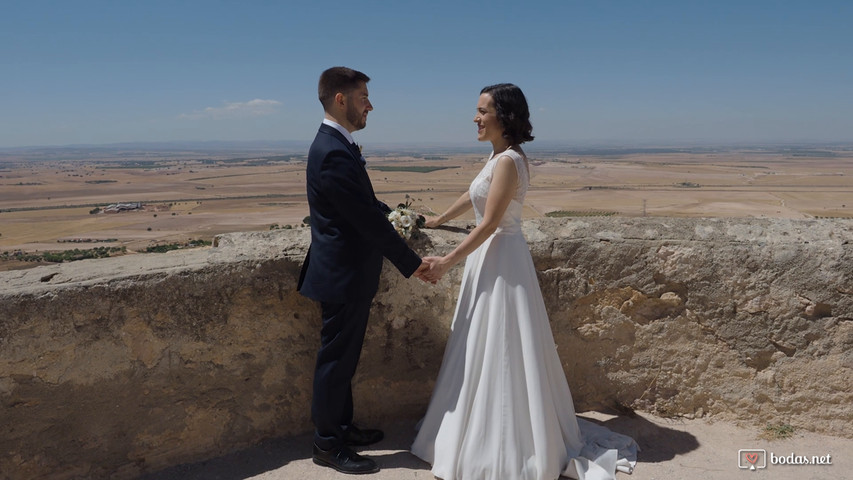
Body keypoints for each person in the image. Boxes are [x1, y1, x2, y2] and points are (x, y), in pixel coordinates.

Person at [412, 84, 639, 479]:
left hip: (501, 259)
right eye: (477, 110)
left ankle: (501, 443)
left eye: (483, 111)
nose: (475, 118)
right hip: (496, 258)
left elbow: (489, 223)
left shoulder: (507, 161)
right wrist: (437, 221)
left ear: (506, 117)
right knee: (485, 344)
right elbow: (474, 195)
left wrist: (447, 261)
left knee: (502, 347)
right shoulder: (500, 156)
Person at [297, 66, 429, 475]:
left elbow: (365, 204)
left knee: (344, 359)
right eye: (363, 97)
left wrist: (399, 215)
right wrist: (414, 265)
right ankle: (327, 444)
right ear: (341, 99)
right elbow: (364, 222)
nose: (370, 104)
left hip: (346, 273)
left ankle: (341, 427)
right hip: (342, 275)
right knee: (335, 362)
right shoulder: (333, 150)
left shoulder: (338, 143)